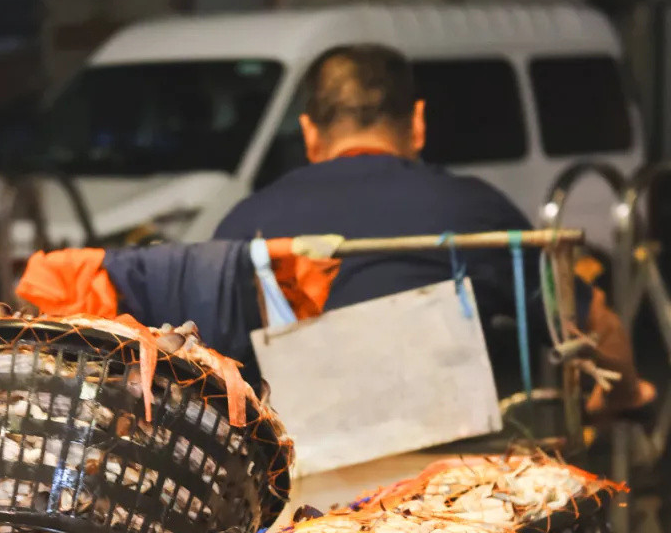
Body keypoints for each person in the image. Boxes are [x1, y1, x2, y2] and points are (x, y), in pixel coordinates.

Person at [215, 43, 652, 415]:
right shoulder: (474, 209)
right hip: (449, 490)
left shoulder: (244, 223)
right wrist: (628, 393)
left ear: (310, 133)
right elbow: (590, 324)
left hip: (293, 488)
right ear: (419, 123)